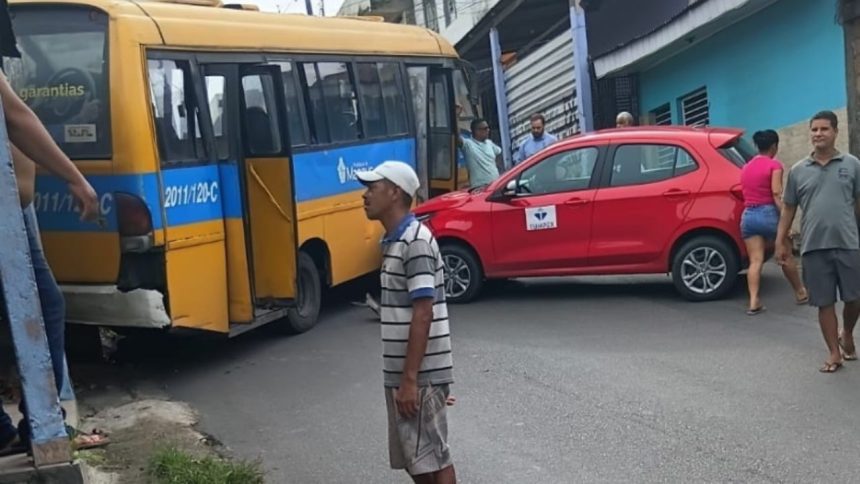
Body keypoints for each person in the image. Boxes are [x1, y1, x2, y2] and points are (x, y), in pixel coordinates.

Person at [0, 68, 104, 451]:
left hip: (14, 216)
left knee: (45, 307)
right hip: (5, 221)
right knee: (45, 308)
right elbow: (16, 116)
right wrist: (74, 177)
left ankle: (34, 425)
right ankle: (43, 424)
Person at [357, 161, 456, 483]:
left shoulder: (415, 241)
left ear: (395, 192)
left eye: (373, 188)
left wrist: (412, 380)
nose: (365, 195)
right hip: (406, 374)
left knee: (433, 457)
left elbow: (423, 313)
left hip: (418, 373)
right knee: (418, 459)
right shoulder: (395, 242)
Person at [776, 110, 860, 373]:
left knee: (855, 298)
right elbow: (789, 208)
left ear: (835, 131)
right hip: (813, 247)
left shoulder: (852, 164)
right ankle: (834, 353)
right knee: (823, 302)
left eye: (824, 129)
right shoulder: (799, 171)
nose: (818, 134)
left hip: (848, 243)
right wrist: (781, 241)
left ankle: (847, 332)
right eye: (814, 130)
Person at [739, 130, 807, 315]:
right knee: (785, 255)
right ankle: (800, 292)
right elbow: (776, 193)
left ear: (756, 146)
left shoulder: (746, 167)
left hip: (748, 216)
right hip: (768, 213)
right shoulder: (774, 165)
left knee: (755, 260)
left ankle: (753, 301)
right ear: (774, 146)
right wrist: (786, 221)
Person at [458, 118, 501, 187]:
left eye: (488, 128)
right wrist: (456, 116)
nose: (488, 130)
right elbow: (457, 137)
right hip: (480, 188)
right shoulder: (468, 145)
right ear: (477, 131)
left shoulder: (489, 143)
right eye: (485, 128)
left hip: (495, 186)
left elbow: (499, 155)